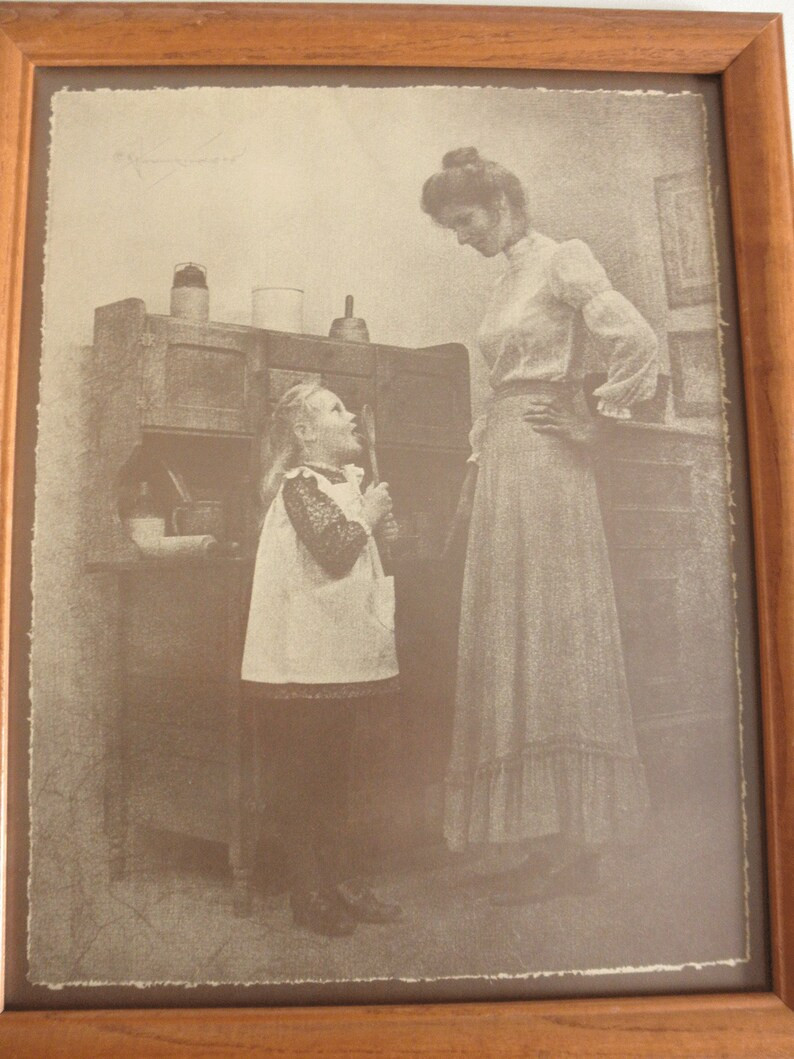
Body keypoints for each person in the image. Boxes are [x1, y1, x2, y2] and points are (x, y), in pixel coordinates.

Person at [421, 147, 659, 903]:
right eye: (452, 227)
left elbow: (636, 342)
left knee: (557, 629)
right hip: (505, 462)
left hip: (552, 466)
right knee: (512, 630)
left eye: (465, 222)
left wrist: (597, 416)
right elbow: (493, 394)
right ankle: (541, 832)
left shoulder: (563, 259)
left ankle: (581, 840)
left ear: (502, 207)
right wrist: (472, 475)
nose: (461, 237)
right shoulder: (503, 285)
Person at [241, 382, 403, 936]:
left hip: (340, 654)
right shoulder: (299, 486)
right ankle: (307, 894)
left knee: (339, 774)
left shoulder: (346, 483)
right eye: (337, 409)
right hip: (303, 660)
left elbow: (359, 554)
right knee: (306, 780)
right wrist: (368, 512)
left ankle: (341, 882)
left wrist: (378, 524)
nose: (352, 413)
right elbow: (335, 551)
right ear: (306, 433)